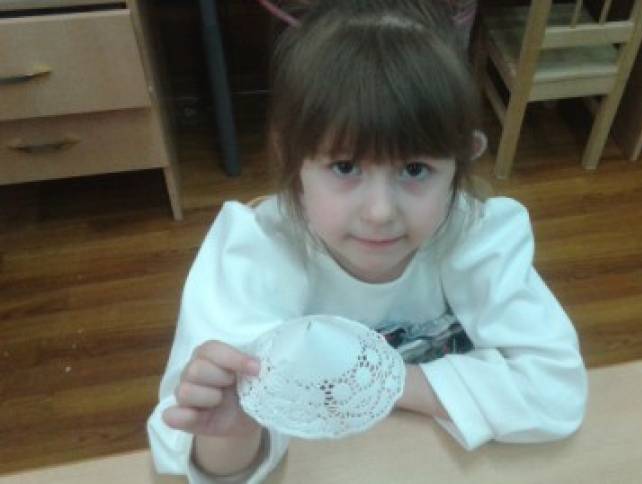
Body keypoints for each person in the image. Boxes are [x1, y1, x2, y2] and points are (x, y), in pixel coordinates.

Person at [147, 0, 587, 482]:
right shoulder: (253, 253)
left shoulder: (479, 236)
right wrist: (233, 436)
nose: (380, 212)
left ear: (460, 161)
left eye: (415, 169)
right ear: (291, 158)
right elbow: (184, 442)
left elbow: (556, 392)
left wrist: (375, 383)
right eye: (345, 167)